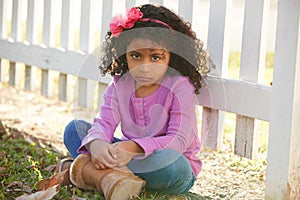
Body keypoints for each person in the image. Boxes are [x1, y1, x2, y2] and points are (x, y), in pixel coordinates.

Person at [61, 3, 212, 200]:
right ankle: (113, 178)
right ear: (125, 54)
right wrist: (97, 144)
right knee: (74, 129)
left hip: (168, 164)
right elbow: (105, 123)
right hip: (125, 155)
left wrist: (132, 148)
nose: (144, 67)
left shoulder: (179, 86)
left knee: (173, 164)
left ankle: (90, 171)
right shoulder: (120, 85)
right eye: (136, 56)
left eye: (156, 57)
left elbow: (179, 141)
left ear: (171, 57)